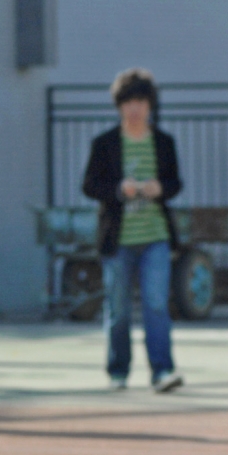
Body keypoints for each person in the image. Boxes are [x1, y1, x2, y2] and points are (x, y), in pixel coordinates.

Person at [82, 68, 184, 392]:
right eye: (128, 102)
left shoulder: (164, 142)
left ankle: (162, 371)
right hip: (118, 239)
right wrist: (117, 189)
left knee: (155, 303)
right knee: (119, 309)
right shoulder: (105, 143)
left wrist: (160, 188)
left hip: (155, 236)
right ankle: (118, 370)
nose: (135, 108)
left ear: (150, 105)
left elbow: (175, 182)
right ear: (119, 105)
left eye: (140, 101)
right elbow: (89, 185)